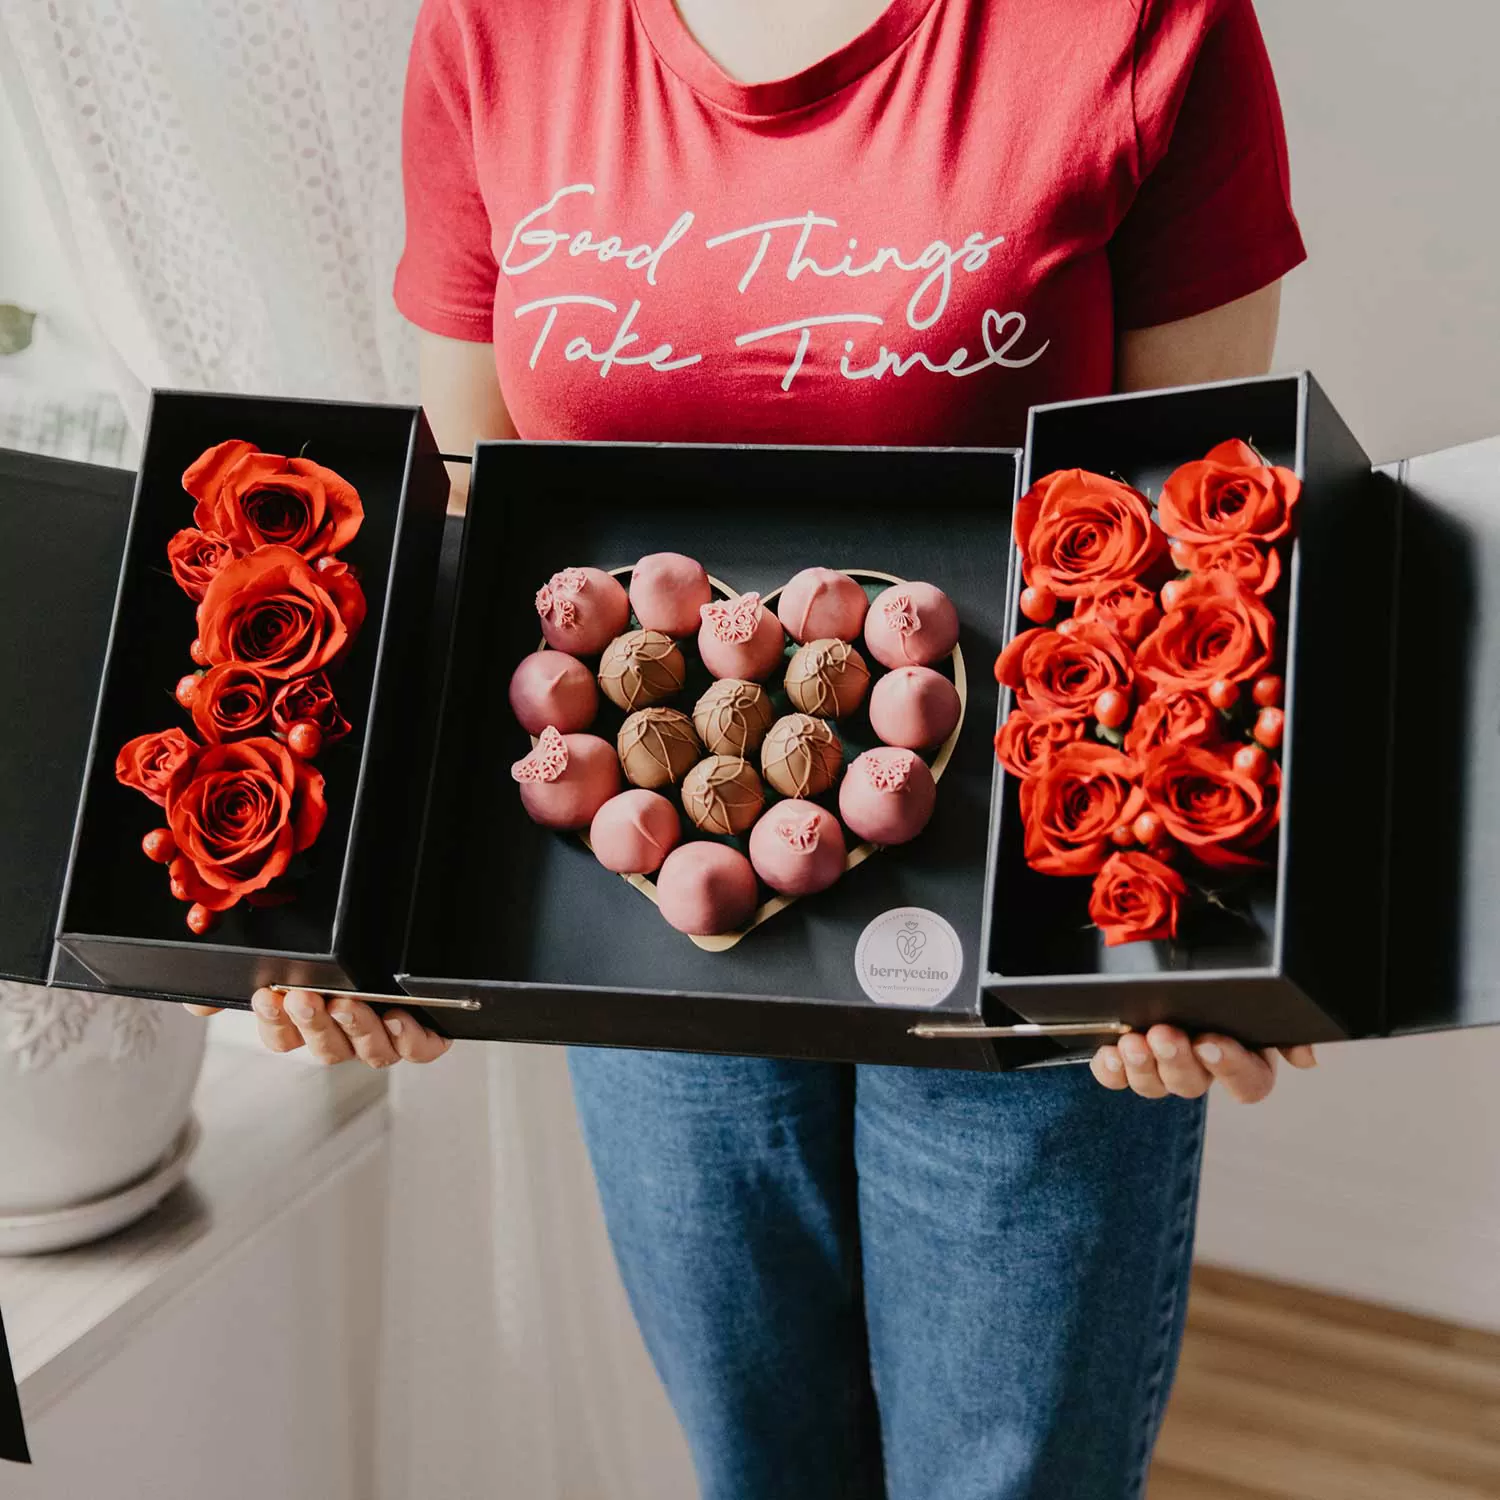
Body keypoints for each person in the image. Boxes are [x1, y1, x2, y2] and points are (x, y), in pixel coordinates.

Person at [191, 0, 1319, 1493]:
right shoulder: (497, 27)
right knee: (756, 1463)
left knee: (1009, 1475)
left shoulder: (1142, 26)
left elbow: (1204, 525)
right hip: (651, 926)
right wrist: (379, 920)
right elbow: (472, 509)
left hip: (1027, 923)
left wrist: (1213, 944)